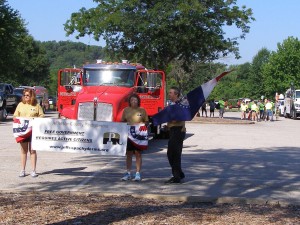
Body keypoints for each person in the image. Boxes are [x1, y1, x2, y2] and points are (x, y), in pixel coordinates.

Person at [13, 88, 44, 177]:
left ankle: (33, 170)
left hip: (33, 131)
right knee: (23, 151)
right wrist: (16, 119)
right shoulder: (20, 105)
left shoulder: (36, 105)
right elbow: (15, 116)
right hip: (23, 131)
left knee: (32, 150)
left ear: (32, 96)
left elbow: (42, 115)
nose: (26, 97)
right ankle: (22, 170)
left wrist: (36, 119)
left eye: (28, 95)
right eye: (25, 95)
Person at [121, 94, 149, 181]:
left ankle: (137, 173)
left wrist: (142, 125)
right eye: (132, 100)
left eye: (135, 100)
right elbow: (123, 121)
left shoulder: (142, 110)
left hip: (138, 135)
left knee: (138, 154)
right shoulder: (125, 110)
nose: (134, 101)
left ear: (138, 101)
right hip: (129, 135)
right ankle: (128, 173)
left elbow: (146, 122)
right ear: (129, 101)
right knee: (128, 154)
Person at [165, 87, 186, 184]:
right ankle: (179, 173)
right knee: (171, 153)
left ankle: (176, 176)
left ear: (176, 94)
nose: (169, 94)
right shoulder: (171, 104)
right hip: (172, 130)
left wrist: (168, 118)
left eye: (170, 93)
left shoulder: (180, 105)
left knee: (175, 154)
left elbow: (177, 119)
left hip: (178, 130)